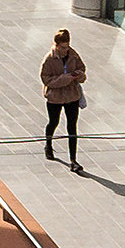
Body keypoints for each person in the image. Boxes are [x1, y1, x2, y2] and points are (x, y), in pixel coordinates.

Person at [41, 29, 88, 171]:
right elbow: (47, 80)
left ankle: (73, 160)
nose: (65, 50)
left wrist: (79, 76)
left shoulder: (73, 55)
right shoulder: (49, 59)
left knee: (72, 127)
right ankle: (48, 145)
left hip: (71, 96)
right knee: (53, 122)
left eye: (67, 46)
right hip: (55, 97)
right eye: (62, 47)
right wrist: (67, 78)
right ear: (56, 45)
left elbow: (82, 69)